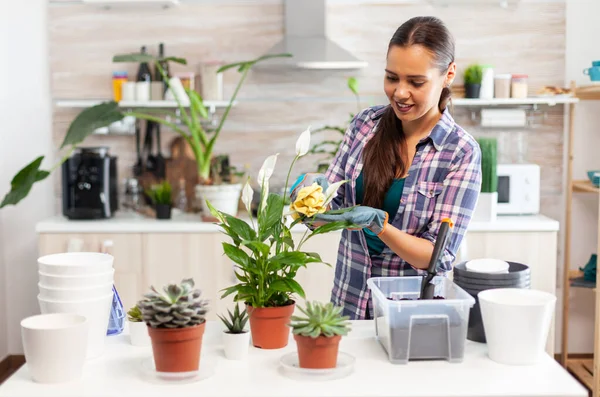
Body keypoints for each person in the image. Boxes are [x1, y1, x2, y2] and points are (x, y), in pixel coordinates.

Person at [290, 16, 482, 320]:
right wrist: (307, 203)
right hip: (348, 302)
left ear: (448, 74)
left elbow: (439, 256)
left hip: (407, 313)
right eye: (392, 77)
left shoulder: (460, 151)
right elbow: (333, 210)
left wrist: (380, 226)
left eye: (416, 82)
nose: (400, 92)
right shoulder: (366, 126)